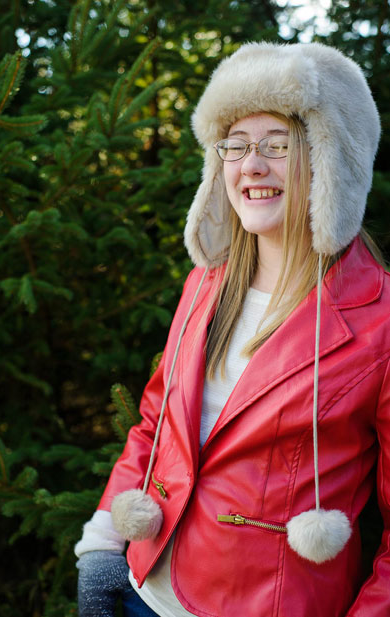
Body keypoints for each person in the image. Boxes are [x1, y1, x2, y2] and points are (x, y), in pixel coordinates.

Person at [75, 42, 389, 617]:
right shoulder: (206, 285)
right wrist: (101, 544)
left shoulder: (382, 324)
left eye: (277, 145)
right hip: (144, 589)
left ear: (330, 162)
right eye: (237, 145)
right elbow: (155, 422)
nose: (251, 165)